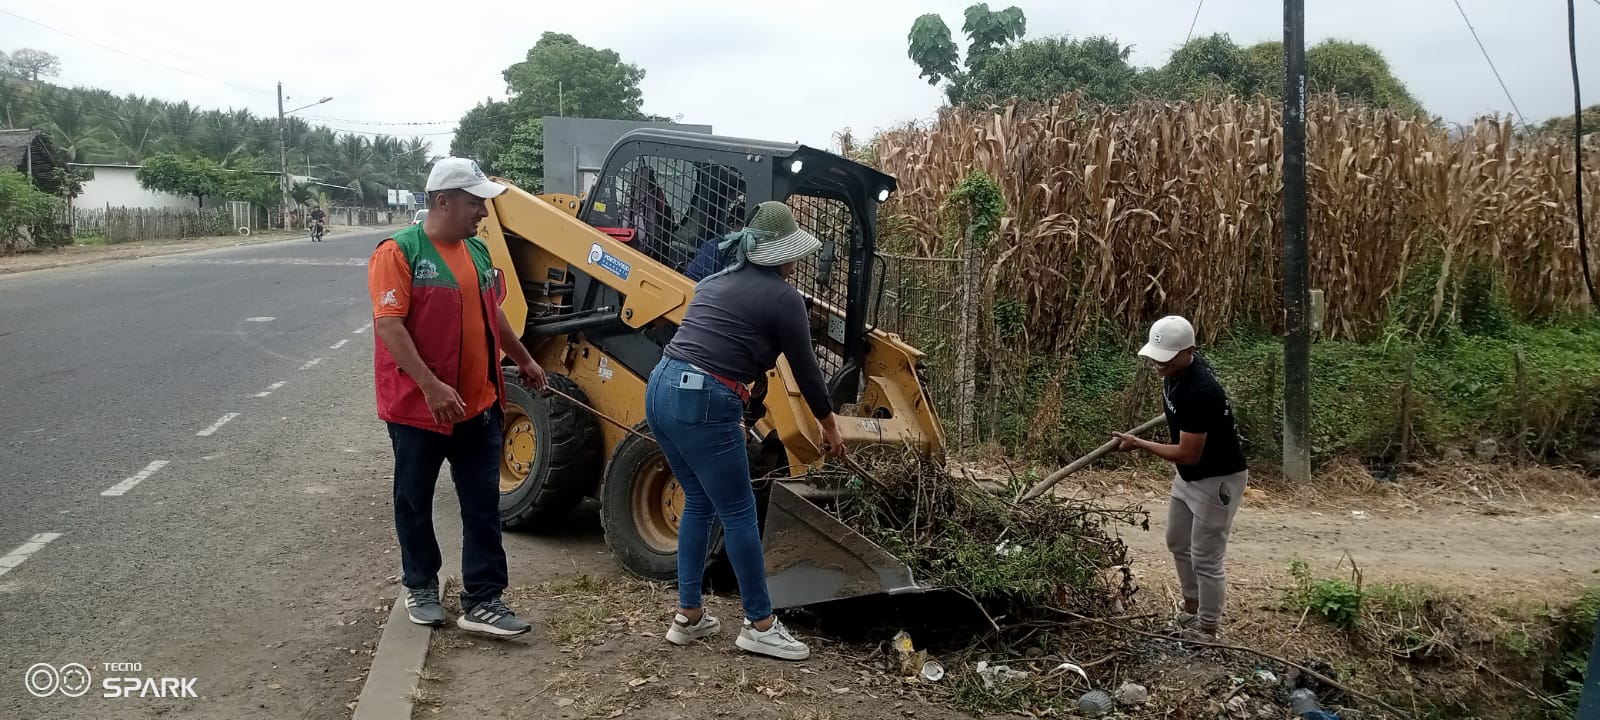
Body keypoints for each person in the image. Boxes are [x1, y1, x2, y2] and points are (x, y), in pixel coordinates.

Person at [646, 201, 845, 661]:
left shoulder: (714, 283)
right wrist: (829, 426)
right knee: (738, 511)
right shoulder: (785, 299)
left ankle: (689, 616)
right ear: (785, 256)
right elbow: (807, 371)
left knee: (699, 500)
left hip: (661, 387)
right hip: (704, 398)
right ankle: (760, 624)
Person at [367, 157, 549, 637]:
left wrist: (524, 359)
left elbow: (494, 313)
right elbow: (389, 326)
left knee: (483, 505)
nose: (483, 213)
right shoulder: (398, 252)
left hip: (478, 406)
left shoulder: (478, 251)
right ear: (443, 201)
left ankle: (484, 599)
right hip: (419, 410)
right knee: (414, 500)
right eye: (474, 203)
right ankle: (421, 585)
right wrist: (431, 385)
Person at [1112, 315, 1248, 642]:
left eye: (1167, 358)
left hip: (1216, 480)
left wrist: (1139, 443)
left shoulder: (1200, 390)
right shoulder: (1175, 374)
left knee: (1206, 558)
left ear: (1189, 352)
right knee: (1176, 540)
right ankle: (1191, 608)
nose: (1158, 364)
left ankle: (1208, 628)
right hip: (1188, 478)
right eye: (1156, 357)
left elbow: (1188, 454)